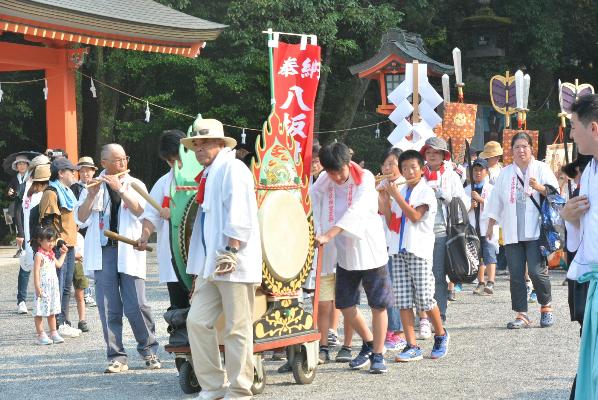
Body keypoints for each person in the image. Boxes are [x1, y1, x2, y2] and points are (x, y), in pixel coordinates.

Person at [182, 118, 262, 399]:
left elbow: (240, 212)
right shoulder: (211, 172)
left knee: (237, 327)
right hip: (211, 263)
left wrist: (231, 249)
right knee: (197, 321)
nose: (199, 149)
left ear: (220, 143)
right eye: (196, 145)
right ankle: (213, 385)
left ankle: (240, 389)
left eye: (205, 143)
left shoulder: (233, 168)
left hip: (233, 261)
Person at [77, 143, 160, 373]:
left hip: (129, 250)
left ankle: (150, 351)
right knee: (108, 307)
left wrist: (121, 189)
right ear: (103, 163)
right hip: (104, 252)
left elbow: (141, 211)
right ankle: (116, 356)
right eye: (116, 160)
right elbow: (81, 219)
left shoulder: (134, 184)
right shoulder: (92, 186)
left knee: (136, 304)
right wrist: (91, 196)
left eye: (124, 159)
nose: (122, 163)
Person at [311, 142, 392, 374]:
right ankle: (368, 342)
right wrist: (317, 229)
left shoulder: (364, 177)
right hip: (345, 252)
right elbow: (313, 196)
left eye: (339, 171)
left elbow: (356, 210)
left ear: (348, 163)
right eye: (331, 172)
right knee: (345, 304)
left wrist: (328, 234)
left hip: (371, 250)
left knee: (378, 305)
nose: (336, 177)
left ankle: (378, 354)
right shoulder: (326, 178)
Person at [486, 132, 559, 329]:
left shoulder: (541, 168)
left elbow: (556, 193)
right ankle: (522, 314)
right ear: (511, 151)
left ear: (531, 148)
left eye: (524, 146)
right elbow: (496, 201)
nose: (521, 150)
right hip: (512, 231)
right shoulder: (506, 173)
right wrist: (490, 224)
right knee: (516, 274)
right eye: (517, 147)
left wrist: (540, 187)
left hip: (535, 230)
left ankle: (546, 306)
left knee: (536, 271)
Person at [385, 149, 449, 362]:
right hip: (398, 250)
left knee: (424, 298)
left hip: (418, 250)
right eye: (404, 168)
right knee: (403, 300)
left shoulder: (425, 192)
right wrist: (384, 197)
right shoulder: (400, 191)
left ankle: (440, 335)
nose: (409, 171)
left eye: (413, 167)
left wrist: (394, 196)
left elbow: (414, 216)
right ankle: (412, 345)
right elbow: (390, 221)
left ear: (422, 170)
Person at [561, 94, 598, 399]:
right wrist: (570, 219)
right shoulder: (588, 175)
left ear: (593, 129)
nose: (571, 134)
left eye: (574, 126)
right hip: (591, 282)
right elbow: (583, 236)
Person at [136, 130, 190, 309]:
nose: (174, 164)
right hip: (173, 258)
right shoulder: (163, 183)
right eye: (170, 161)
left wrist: (174, 214)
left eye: (177, 159)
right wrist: (144, 236)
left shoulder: (201, 178)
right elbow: (150, 215)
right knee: (179, 310)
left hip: (197, 258)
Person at [420, 137, 468, 322]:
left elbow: (463, 203)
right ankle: (423, 314)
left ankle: (439, 313)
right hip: (420, 230)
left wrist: (446, 197)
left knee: (438, 274)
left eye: (436, 153)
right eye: (429, 152)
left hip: (441, 230)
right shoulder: (418, 174)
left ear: (443, 156)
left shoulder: (450, 176)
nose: (432, 156)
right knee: (421, 274)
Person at [38, 158, 81, 338]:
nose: (74, 173)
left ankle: (64, 321)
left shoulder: (67, 191)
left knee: (66, 286)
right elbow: (48, 221)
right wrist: (59, 242)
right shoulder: (51, 192)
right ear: (61, 173)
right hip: (58, 245)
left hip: (69, 243)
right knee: (58, 285)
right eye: (70, 170)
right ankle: (57, 323)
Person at [377, 147, 407, 352]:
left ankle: (397, 332)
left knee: (394, 288)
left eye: (393, 164)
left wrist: (389, 196)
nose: (388, 167)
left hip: (398, 244)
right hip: (379, 244)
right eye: (386, 163)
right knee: (384, 288)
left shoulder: (405, 188)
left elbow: (392, 220)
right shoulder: (377, 187)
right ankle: (391, 330)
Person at [17, 160, 51, 314]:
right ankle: (21, 300)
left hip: (40, 235)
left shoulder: (46, 189)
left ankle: (41, 299)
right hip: (29, 232)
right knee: (26, 266)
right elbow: (18, 210)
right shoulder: (26, 187)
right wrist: (20, 233)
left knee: (40, 267)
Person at [465, 159, 499, 295]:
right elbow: (461, 209)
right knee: (477, 256)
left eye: (481, 170)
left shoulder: (492, 189)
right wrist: (470, 205)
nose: (478, 173)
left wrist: (481, 200)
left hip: (487, 226)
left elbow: (496, 207)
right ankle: (480, 282)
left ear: (486, 172)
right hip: (473, 227)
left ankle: (490, 282)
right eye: (475, 170)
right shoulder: (467, 189)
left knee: (489, 254)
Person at [31, 226, 67, 345]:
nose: (51, 243)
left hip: (52, 287)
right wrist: (37, 287)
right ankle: (41, 334)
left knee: (52, 310)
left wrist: (63, 254)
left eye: (52, 241)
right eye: (48, 241)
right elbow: (36, 272)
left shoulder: (50, 254)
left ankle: (53, 332)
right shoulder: (39, 255)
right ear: (40, 241)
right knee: (40, 311)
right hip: (42, 287)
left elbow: (59, 264)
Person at [71, 156, 98, 307]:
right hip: (80, 228)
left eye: (88, 171)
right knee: (82, 261)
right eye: (82, 171)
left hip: (95, 228)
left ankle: (92, 291)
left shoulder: (101, 185)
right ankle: (86, 293)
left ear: (93, 171)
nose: (86, 174)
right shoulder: (75, 188)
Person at [8, 154, 30, 258]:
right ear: (16, 166)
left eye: (23, 163)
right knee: (19, 226)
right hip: (18, 205)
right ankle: (21, 249)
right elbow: (10, 192)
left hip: (30, 204)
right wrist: (10, 193)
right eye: (19, 164)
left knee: (29, 225)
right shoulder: (14, 178)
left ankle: (29, 248)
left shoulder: (31, 177)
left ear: (27, 165)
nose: (21, 166)